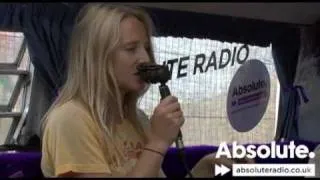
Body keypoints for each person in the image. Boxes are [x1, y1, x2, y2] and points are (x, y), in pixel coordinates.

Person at [40, 3, 253, 178]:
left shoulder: (137, 119)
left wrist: (206, 167)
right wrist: (158, 142)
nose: (145, 59)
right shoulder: (70, 120)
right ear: (97, 57)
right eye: (131, 49)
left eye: (147, 49)